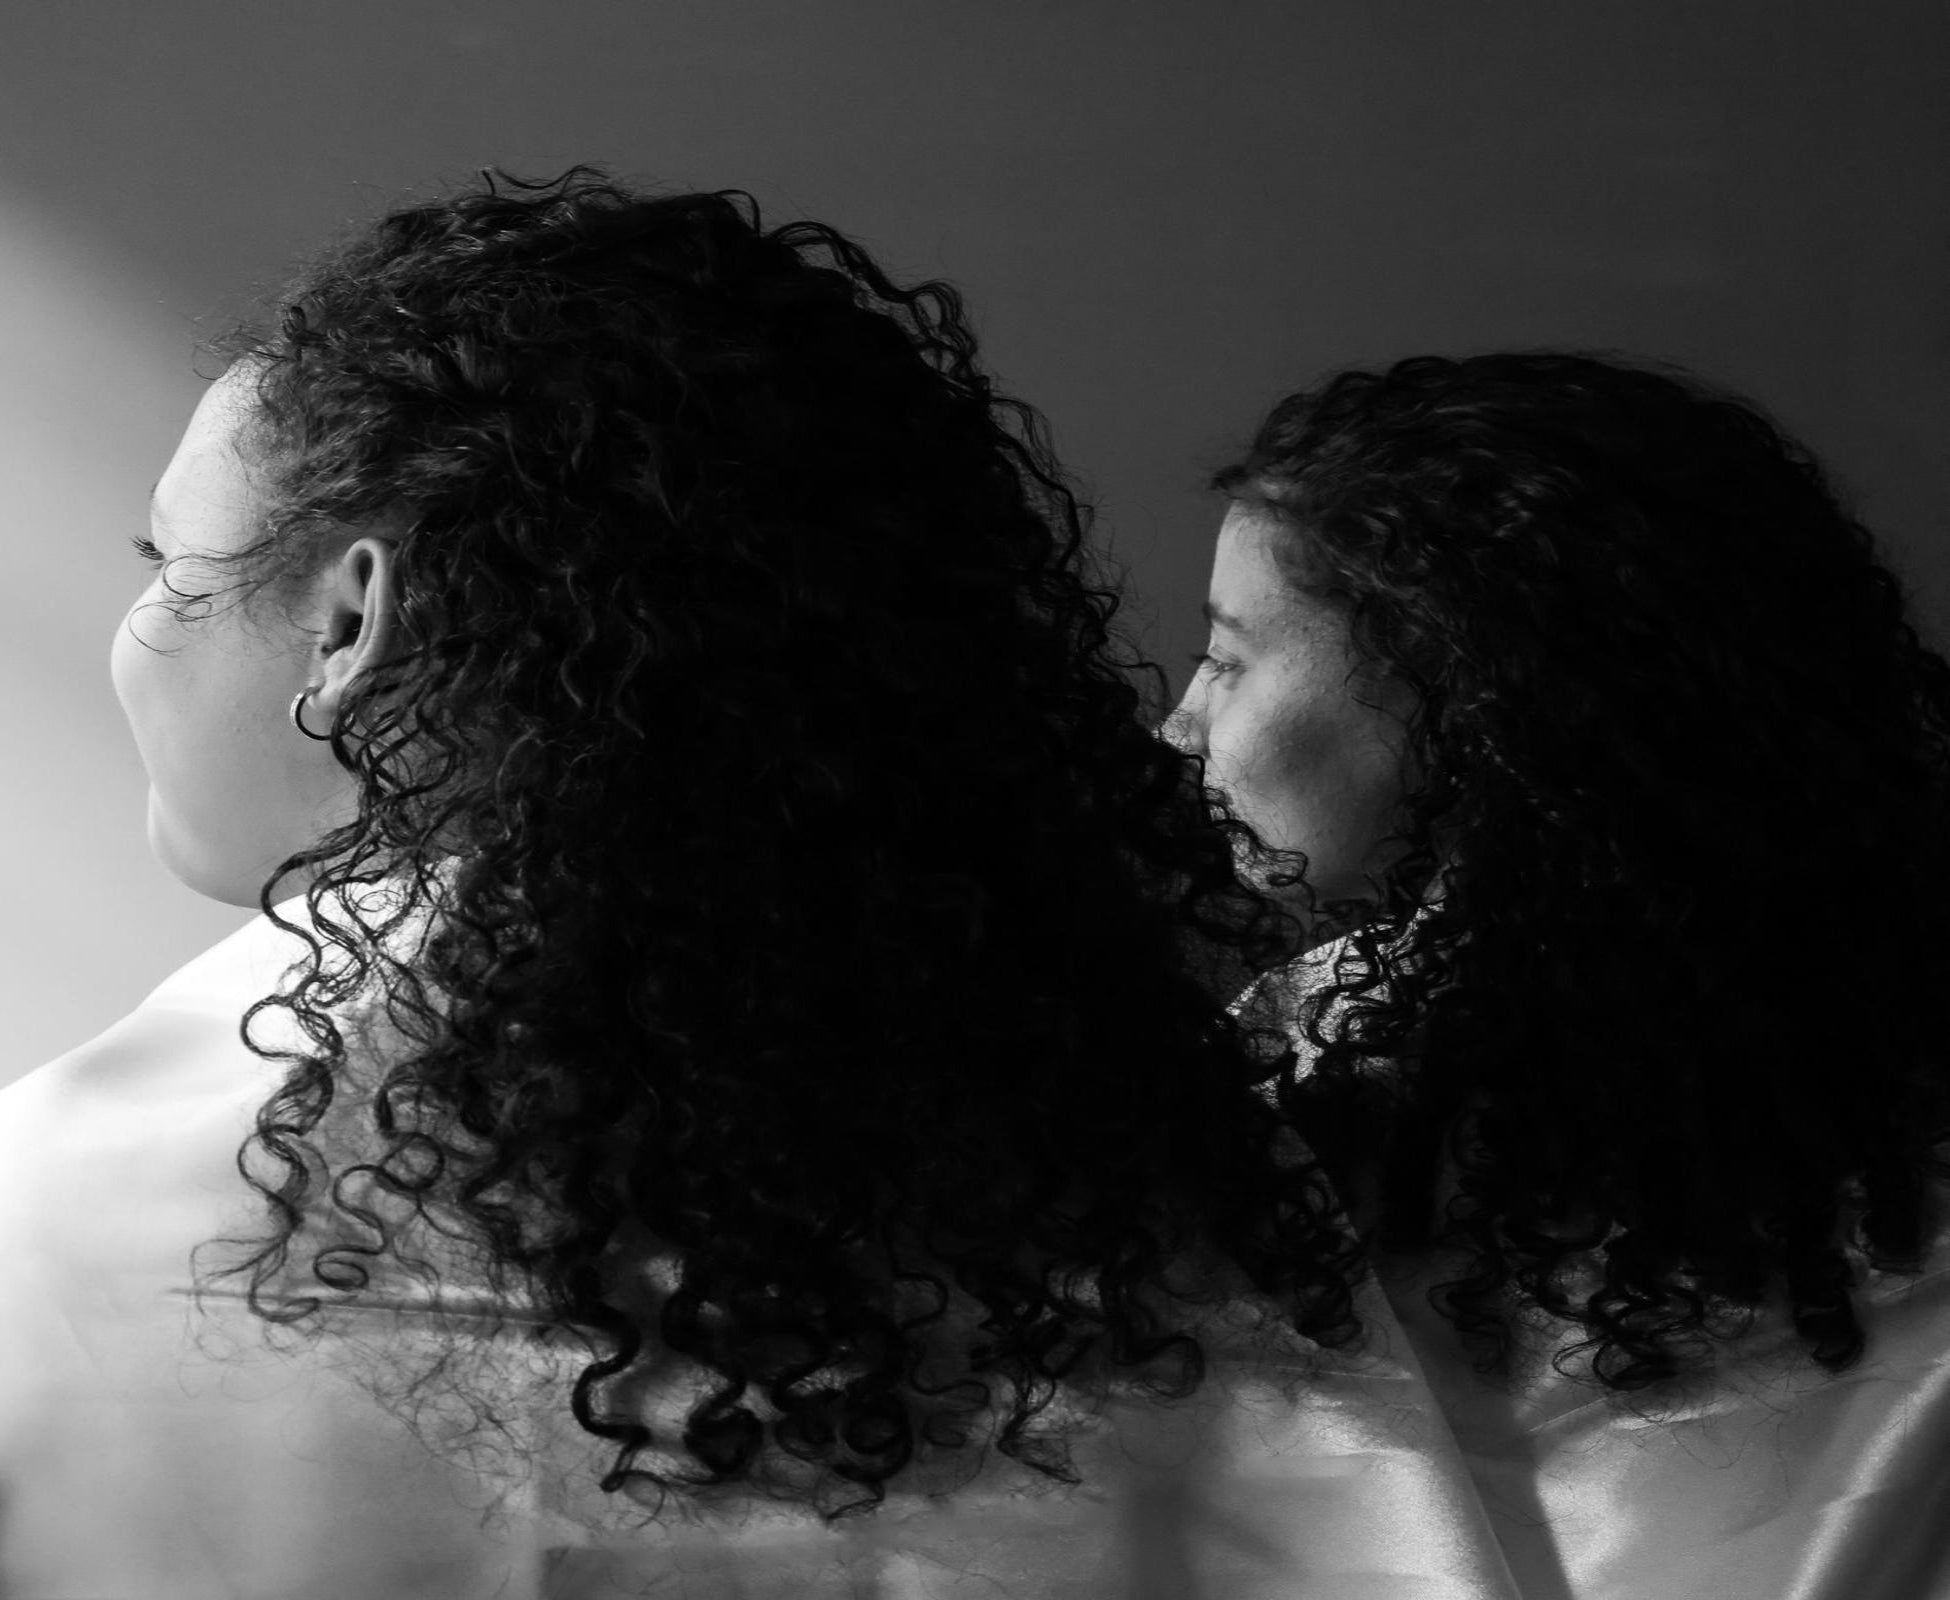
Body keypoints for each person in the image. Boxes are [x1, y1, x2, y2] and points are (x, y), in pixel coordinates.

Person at [0, 171, 1523, 1598]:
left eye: (171, 565)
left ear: (350, 626)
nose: (135, 630)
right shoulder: (1176, 1212)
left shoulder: (79, 1212)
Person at [1167, 349, 1950, 1599]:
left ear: (1467, 701)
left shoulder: (1318, 1134)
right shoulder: (1296, 1038)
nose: (1178, 723)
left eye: (1229, 657)